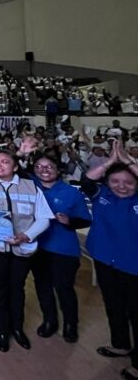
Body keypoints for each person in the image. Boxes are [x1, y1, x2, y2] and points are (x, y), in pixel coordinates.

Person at [0, 149, 54, 352]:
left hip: (22, 247)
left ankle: (17, 328)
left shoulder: (30, 187)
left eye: (5, 162)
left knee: (17, 288)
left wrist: (26, 236)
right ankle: (1, 330)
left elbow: (43, 219)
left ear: (15, 167)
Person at [81, 140, 138, 380]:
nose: (121, 186)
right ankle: (121, 344)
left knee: (137, 313)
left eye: (128, 182)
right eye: (115, 181)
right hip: (106, 260)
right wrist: (110, 162)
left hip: (133, 266)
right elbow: (86, 181)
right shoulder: (102, 194)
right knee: (113, 305)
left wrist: (127, 161)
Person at [30, 155, 91, 343]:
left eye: (49, 166)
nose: (44, 169)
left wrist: (69, 221)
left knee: (64, 287)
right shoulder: (30, 187)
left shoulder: (71, 192)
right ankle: (50, 320)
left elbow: (85, 219)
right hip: (38, 246)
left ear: (58, 169)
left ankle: (70, 324)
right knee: (43, 286)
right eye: (39, 166)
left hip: (63, 249)